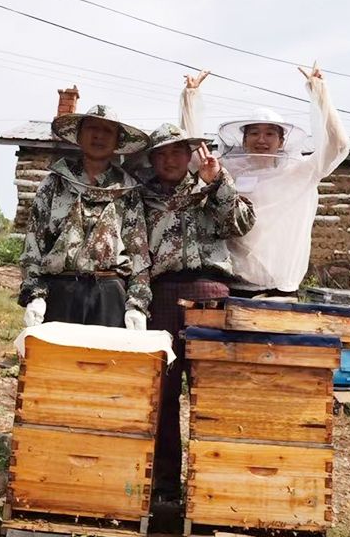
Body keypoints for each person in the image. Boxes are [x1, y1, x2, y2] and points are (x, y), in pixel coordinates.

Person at [140, 72, 256, 499]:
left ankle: (213, 487)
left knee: (213, 393)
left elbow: (242, 224)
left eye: (178, 152)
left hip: (212, 296)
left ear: (190, 154)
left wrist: (218, 183)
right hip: (161, 298)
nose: (170, 160)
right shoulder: (141, 197)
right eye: (162, 154)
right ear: (152, 160)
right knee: (162, 395)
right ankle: (166, 487)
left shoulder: (213, 187)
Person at [211, 64, 350, 295]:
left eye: (270, 133)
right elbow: (192, 159)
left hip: (279, 289)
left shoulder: (299, 173)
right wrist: (189, 100)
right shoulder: (229, 171)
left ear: (281, 140)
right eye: (254, 133)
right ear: (244, 140)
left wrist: (320, 94)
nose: (261, 140)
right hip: (231, 285)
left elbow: (339, 146)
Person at [19, 104, 152, 329]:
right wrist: (35, 295)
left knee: (105, 362)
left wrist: (137, 304)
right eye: (92, 128)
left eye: (108, 131)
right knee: (55, 362)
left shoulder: (127, 190)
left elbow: (138, 253)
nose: (99, 135)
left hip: (109, 292)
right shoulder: (54, 183)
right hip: (60, 290)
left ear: (118, 141)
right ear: (79, 135)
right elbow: (34, 244)